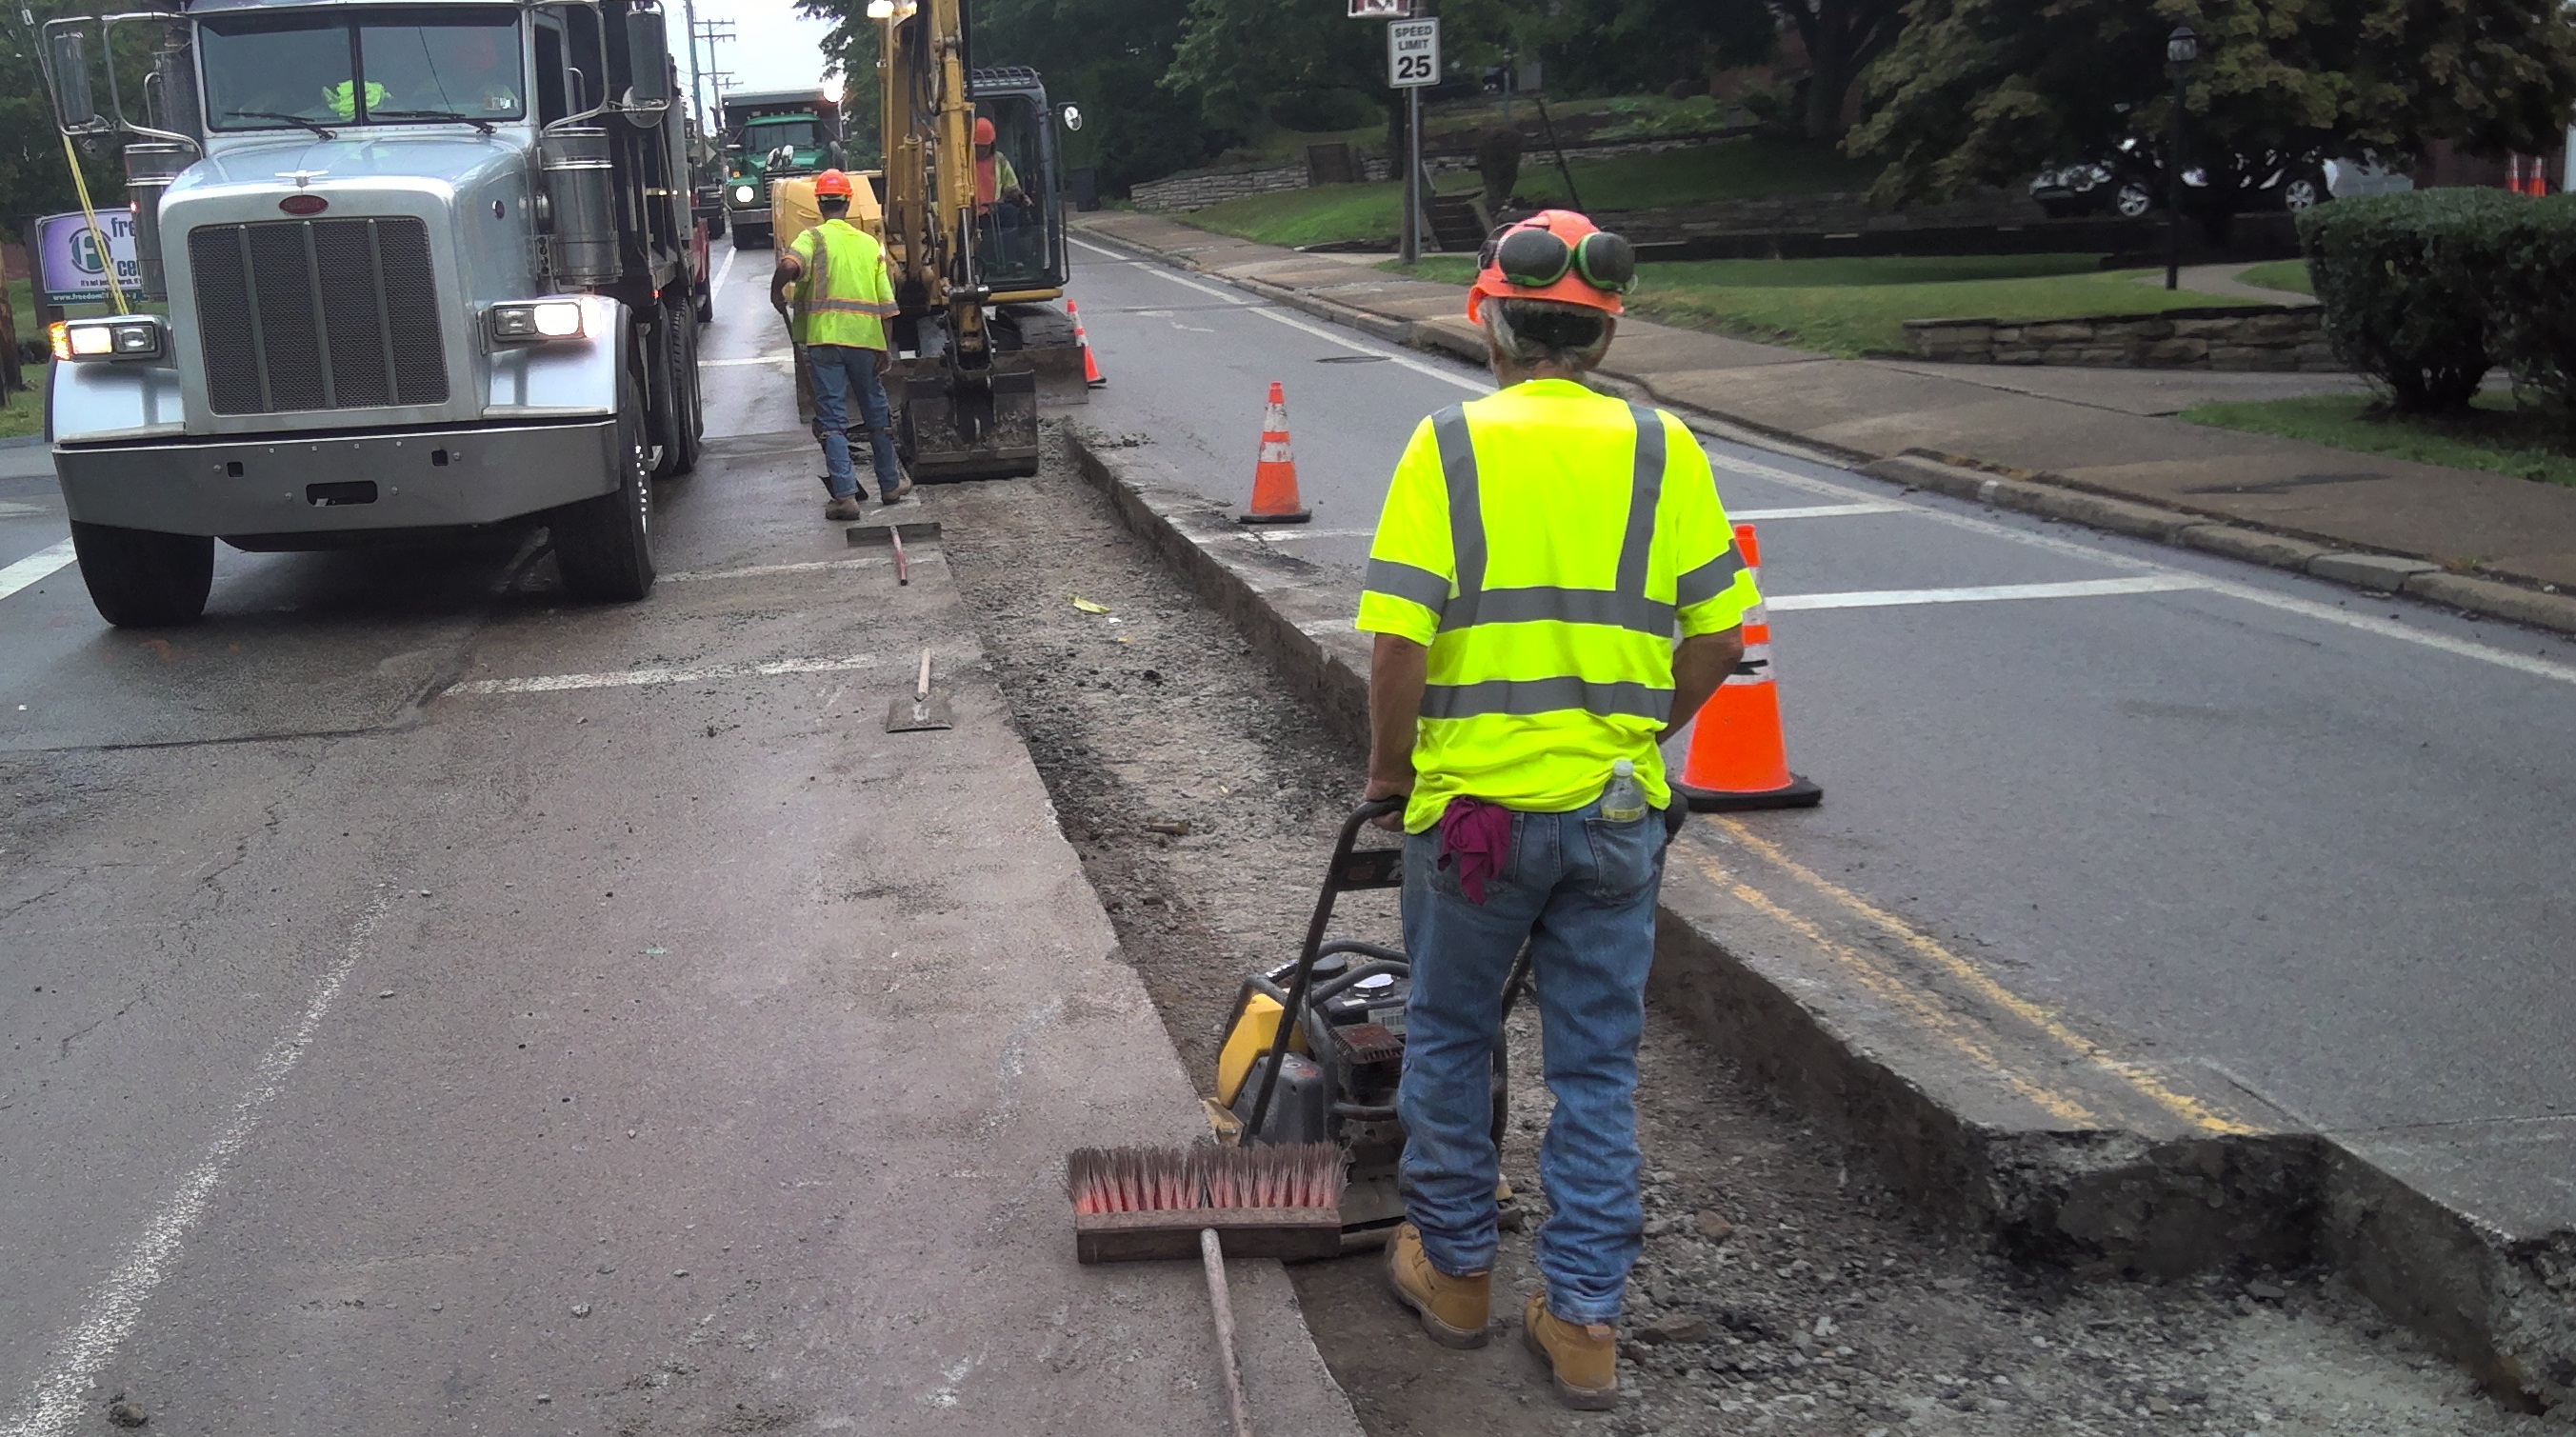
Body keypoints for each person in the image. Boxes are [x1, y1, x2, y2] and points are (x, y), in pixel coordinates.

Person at [1356, 210, 1757, 1411]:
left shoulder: (1448, 446)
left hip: (1474, 818)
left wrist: (1387, 777)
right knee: (1595, 1068)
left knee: (1447, 1031)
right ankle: (1582, 1322)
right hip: (1612, 816)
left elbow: (1396, 643)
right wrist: (1633, 740)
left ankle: (1458, 1274)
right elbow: (1718, 638)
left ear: (1490, 320)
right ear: (1602, 330)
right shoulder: (1661, 446)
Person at [770, 170, 910, 518]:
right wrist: (885, 349)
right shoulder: (868, 245)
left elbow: (789, 264)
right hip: (865, 341)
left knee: (832, 418)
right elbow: (888, 307)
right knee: (876, 414)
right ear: (848, 203)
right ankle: (890, 485)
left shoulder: (812, 239)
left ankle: (845, 497)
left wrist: (776, 292)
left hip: (824, 342)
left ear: (820, 203)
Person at [971, 116, 1024, 268]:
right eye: (978, 146)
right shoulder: (963, 162)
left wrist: (1018, 196)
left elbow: (1011, 185)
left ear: (992, 144)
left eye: (985, 146)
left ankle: (1010, 260)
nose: (981, 150)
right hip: (971, 212)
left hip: (995, 210)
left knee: (1010, 213)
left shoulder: (999, 160)